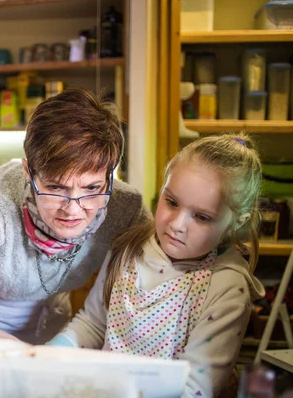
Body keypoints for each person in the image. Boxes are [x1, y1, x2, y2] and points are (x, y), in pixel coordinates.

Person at [0, 88, 149, 344]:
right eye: (55, 188)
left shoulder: (126, 208)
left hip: (54, 329)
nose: (72, 209)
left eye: (92, 188)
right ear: (29, 172)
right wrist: (12, 350)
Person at [48, 134, 265, 397]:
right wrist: (55, 352)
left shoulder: (226, 287)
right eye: (171, 202)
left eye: (202, 217)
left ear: (238, 221)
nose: (177, 224)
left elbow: (195, 388)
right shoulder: (127, 249)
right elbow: (93, 325)